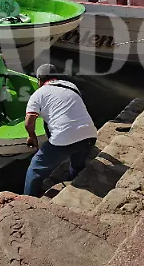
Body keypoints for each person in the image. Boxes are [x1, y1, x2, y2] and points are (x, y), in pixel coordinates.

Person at [23, 64, 97, 197]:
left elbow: (29, 122)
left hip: (63, 138)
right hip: (90, 135)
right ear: (56, 77)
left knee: (34, 169)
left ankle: (28, 198)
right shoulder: (71, 86)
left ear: (40, 80)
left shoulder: (38, 94)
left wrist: (31, 136)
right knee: (77, 160)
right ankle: (75, 179)